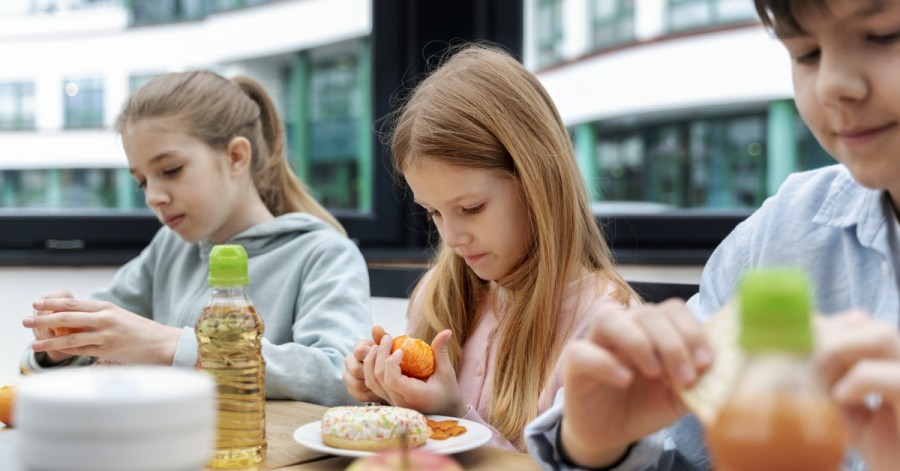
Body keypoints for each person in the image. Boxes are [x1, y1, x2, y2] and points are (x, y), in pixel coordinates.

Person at [524, 0, 900, 469]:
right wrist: (598, 447)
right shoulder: (779, 237)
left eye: (885, 35)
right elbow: (677, 448)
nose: (831, 86)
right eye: (806, 54)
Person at [341, 43, 639, 451]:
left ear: (538, 181)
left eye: (471, 207)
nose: (451, 238)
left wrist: (452, 415)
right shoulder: (437, 294)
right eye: (434, 214)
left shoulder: (606, 329)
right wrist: (387, 394)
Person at [19, 71, 372, 405]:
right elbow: (76, 355)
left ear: (236, 156)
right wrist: (60, 347)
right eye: (142, 181)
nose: (152, 196)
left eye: (170, 170)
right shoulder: (169, 248)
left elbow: (340, 377)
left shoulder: (323, 254)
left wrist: (171, 346)